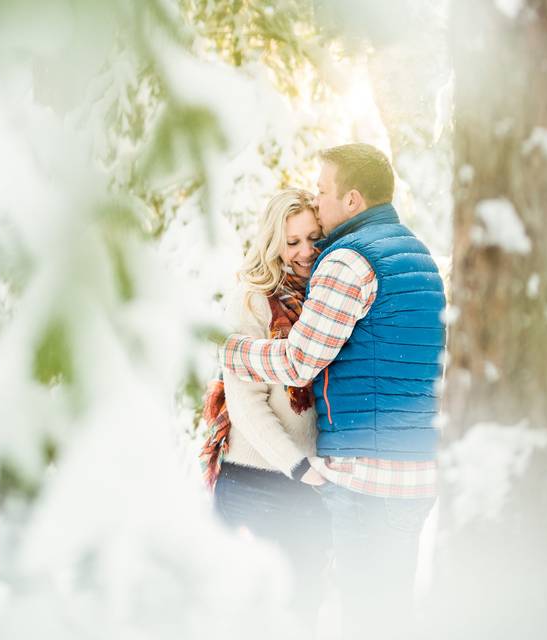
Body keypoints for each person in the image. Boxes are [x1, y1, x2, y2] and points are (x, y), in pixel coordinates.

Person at [220, 144, 446, 638]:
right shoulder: (418, 254)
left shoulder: (347, 264)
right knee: (387, 611)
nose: (319, 204)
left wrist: (235, 353)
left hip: (365, 477)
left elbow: (300, 360)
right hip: (407, 473)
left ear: (352, 200)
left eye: (323, 193)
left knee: (362, 616)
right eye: (292, 240)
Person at [200, 188, 331, 628]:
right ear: (273, 243)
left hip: (303, 486)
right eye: (292, 242)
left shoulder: (322, 300)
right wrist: (298, 466)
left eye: (313, 237)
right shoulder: (253, 302)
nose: (305, 251)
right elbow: (246, 407)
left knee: (302, 615)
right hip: (255, 485)